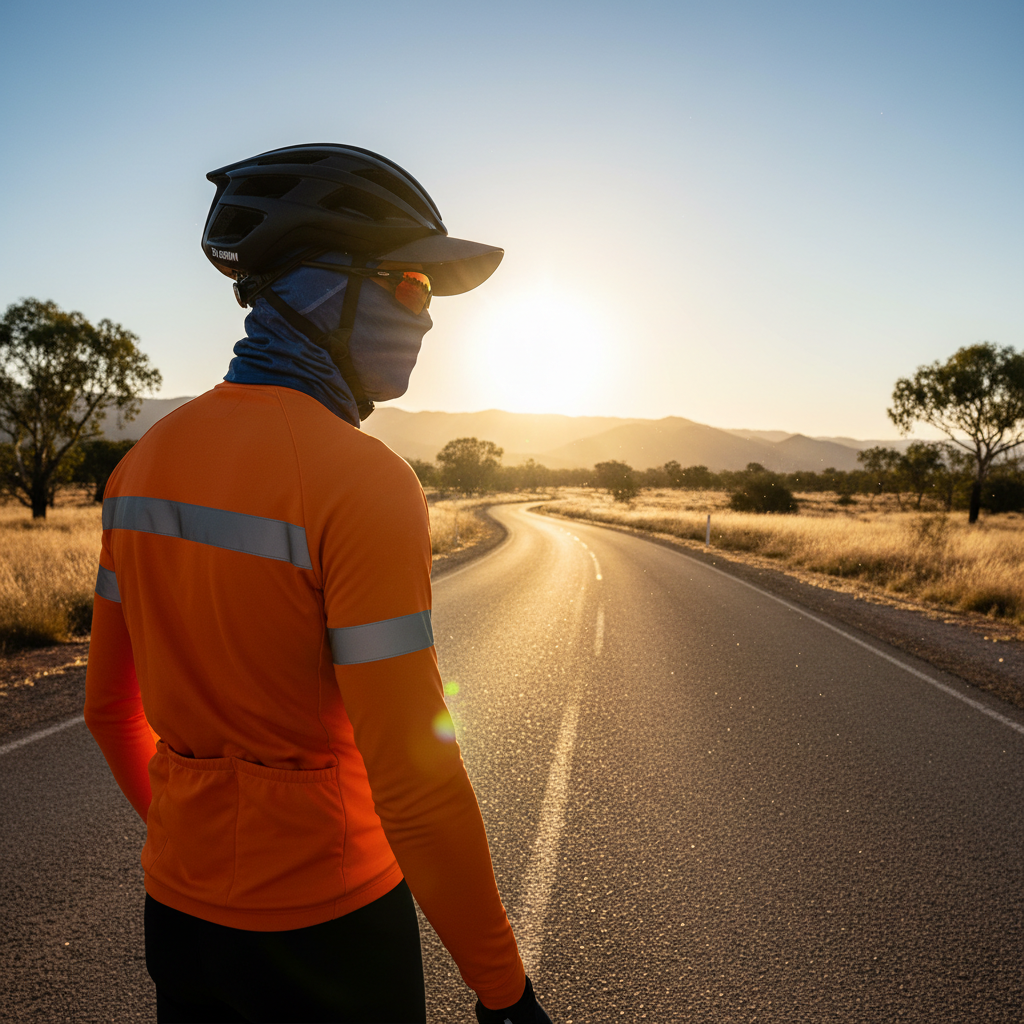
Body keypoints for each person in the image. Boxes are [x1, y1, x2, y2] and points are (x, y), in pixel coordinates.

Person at [84, 143, 553, 1024]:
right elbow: (413, 780)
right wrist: (502, 991)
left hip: (181, 918)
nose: (426, 315)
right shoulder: (362, 480)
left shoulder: (141, 466)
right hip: (332, 931)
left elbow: (109, 710)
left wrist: (195, 842)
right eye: (410, 283)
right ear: (325, 288)